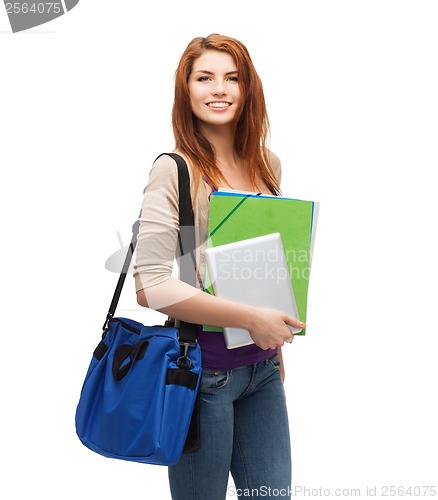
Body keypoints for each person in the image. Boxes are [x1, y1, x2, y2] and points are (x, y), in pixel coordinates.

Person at [134, 33, 305, 500]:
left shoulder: (267, 164)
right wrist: (252, 319)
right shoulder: (175, 169)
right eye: (204, 77)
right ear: (185, 90)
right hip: (202, 373)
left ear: (248, 89)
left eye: (232, 78)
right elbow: (149, 285)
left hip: (263, 370)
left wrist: (275, 346)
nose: (219, 89)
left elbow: (261, 265)